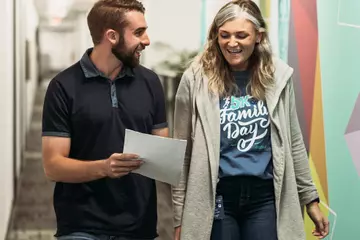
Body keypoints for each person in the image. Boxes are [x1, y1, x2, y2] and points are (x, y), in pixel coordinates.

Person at [172, 1, 329, 240]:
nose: (231, 43)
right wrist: (178, 215)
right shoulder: (195, 79)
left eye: (241, 35)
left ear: (258, 36)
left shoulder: (277, 77)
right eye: (224, 35)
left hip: (265, 198)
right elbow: (181, 153)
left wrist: (310, 199)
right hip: (216, 196)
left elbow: (293, 142)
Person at [41, 0, 168, 239]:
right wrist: (104, 168)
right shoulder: (63, 87)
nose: (147, 40)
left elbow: (162, 152)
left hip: (138, 225)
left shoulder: (151, 82)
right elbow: (53, 166)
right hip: (81, 224)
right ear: (111, 36)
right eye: (138, 32)